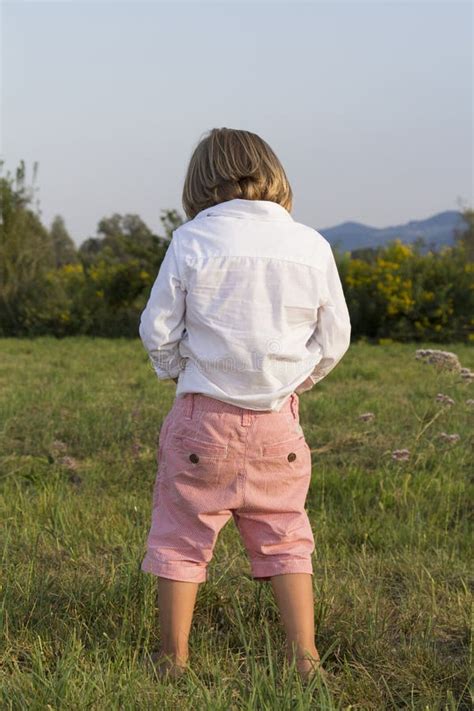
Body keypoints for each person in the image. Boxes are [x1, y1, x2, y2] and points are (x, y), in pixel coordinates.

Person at [139, 127, 351, 682]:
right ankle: (304, 657)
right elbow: (335, 338)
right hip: (277, 422)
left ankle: (172, 659)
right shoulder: (311, 244)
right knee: (285, 534)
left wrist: (177, 371)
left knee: (181, 536)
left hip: (201, 418)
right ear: (274, 174)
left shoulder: (190, 240)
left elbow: (157, 329)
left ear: (199, 183)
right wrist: (295, 382)